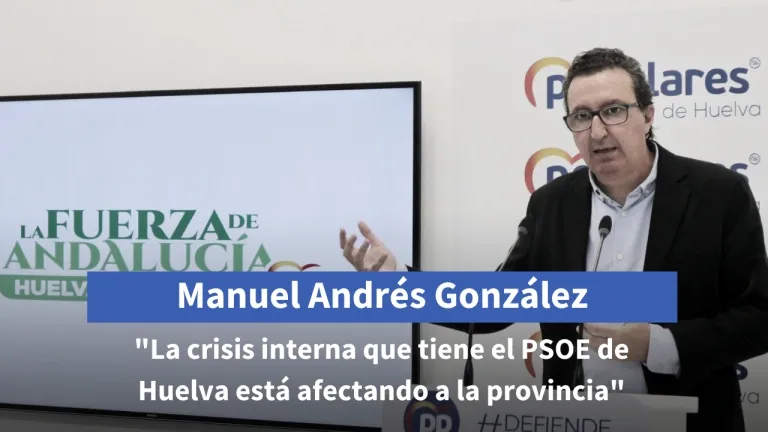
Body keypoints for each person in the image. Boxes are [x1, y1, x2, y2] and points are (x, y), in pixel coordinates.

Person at [339, 47, 768, 431]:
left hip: (689, 420)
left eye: (613, 110)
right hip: (575, 419)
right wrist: (398, 281)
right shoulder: (552, 203)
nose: (597, 131)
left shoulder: (718, 193)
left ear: (648, 115)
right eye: (581, 116)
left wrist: (661, 345)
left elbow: (758, 317)